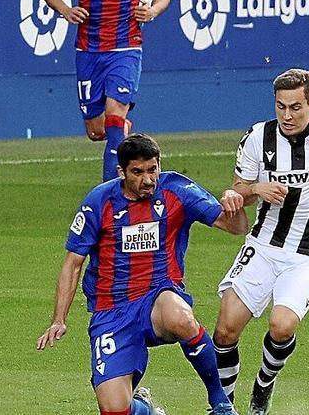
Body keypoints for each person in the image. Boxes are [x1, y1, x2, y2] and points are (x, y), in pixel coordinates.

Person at [36, 134, 244, 415]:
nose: (148, 179)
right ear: (121, 172)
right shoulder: (99, 202)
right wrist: (58, 319)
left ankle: (220, 403)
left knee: (180, 317)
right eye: (138, 172)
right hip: (111, 311)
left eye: (152, 169)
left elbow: (236, 227)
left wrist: (235, 199)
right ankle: (146, 409)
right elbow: (73, 262)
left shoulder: (176, 190)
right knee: (114, 409)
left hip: (157, 297)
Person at [212, 69, 309, 414]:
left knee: (281, 325)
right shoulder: (258, 138)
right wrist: (256, 189)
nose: (287, 115)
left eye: (296, 107)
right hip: (264, 247)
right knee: (225, 329)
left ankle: (264, 385)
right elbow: (237, 191)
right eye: (281, 106)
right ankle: (222, 405)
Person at [42, 0, 171, 181]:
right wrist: (66, 10)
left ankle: (111, 193)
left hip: (126, 47)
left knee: (114, 114)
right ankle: (120, 128)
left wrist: (152, 11)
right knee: (96, 130)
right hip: (88, 49)